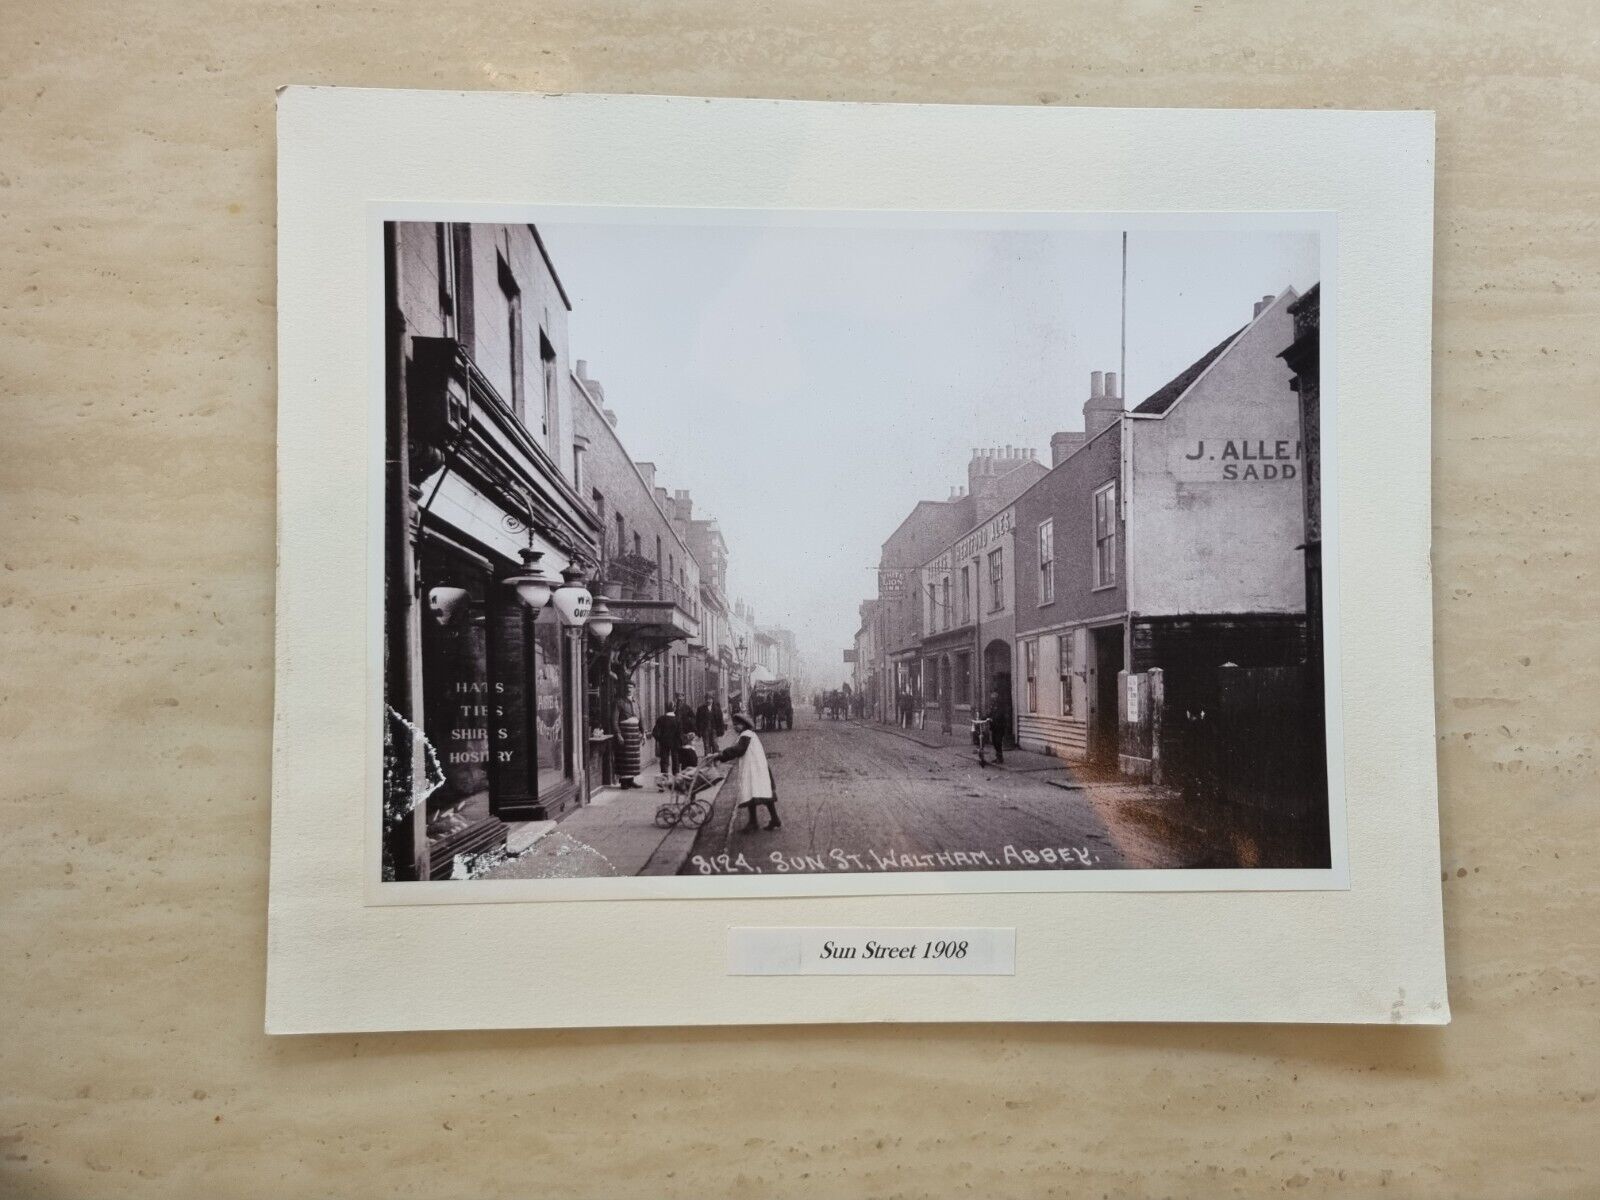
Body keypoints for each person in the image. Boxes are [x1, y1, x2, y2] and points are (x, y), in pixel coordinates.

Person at [717, 713, 780, 832]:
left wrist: (722, 755)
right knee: (764, 792)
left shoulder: (746, 735)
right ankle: (773, 818)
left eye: (737, 724)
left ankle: (754, 822)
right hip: (759, 767)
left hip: (754, 768)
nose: (735, 727)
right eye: (734, 725)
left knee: (752, 791)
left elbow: (738, 750)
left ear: (744, 725)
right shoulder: (749, 734)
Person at [612, 682, 644, 789]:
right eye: (627, 687)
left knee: (633, 757)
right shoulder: (619, 702)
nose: (629, 689)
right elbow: (614, 720)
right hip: (625, 733)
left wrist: (643, 733)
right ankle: (624, 782)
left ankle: (631, 780)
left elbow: (641, 719)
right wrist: (618, 734)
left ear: (634, 689)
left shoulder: (637, 703)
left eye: (631, 687)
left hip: (634, 734)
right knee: (625, 757)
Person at [651, 704, 681, 779]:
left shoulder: (661, 719)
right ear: (674, 709)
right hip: (674, 743)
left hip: (664, 743)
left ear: (666, 709)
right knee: (676, 760)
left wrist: (660, 739)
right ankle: (676, 778)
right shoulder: (677, 719)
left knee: (664, 761)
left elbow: (655, 732)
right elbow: (680, 734)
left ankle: (664, 779)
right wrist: (680, 743)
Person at [987, 682, 1011, 765]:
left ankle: (1000, 758)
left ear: (997, 694)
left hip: (1000, 726)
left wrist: (993, 719)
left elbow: (1000, 714)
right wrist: (984, 717)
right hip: (994, 726)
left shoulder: (1000, 704)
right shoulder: (993, 704)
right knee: (994, 741)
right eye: (992, 694)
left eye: (994, 694)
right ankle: (998, 756)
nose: (992, 696)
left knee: (998, 741)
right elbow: (990, 713)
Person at [696, 691, 724, 758]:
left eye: (710, 699)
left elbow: (720, 720)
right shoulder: (700, 709)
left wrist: (721, 730)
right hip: (705, 730)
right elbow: (697, 721)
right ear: (705, 700)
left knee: (715, 744)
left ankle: (716, 759)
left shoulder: (717, 709)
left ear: (712, 699)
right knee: (706, 745)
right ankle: (708, 761)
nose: (708, 701)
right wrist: (698, 732)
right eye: (707, 699)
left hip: (714, 730)